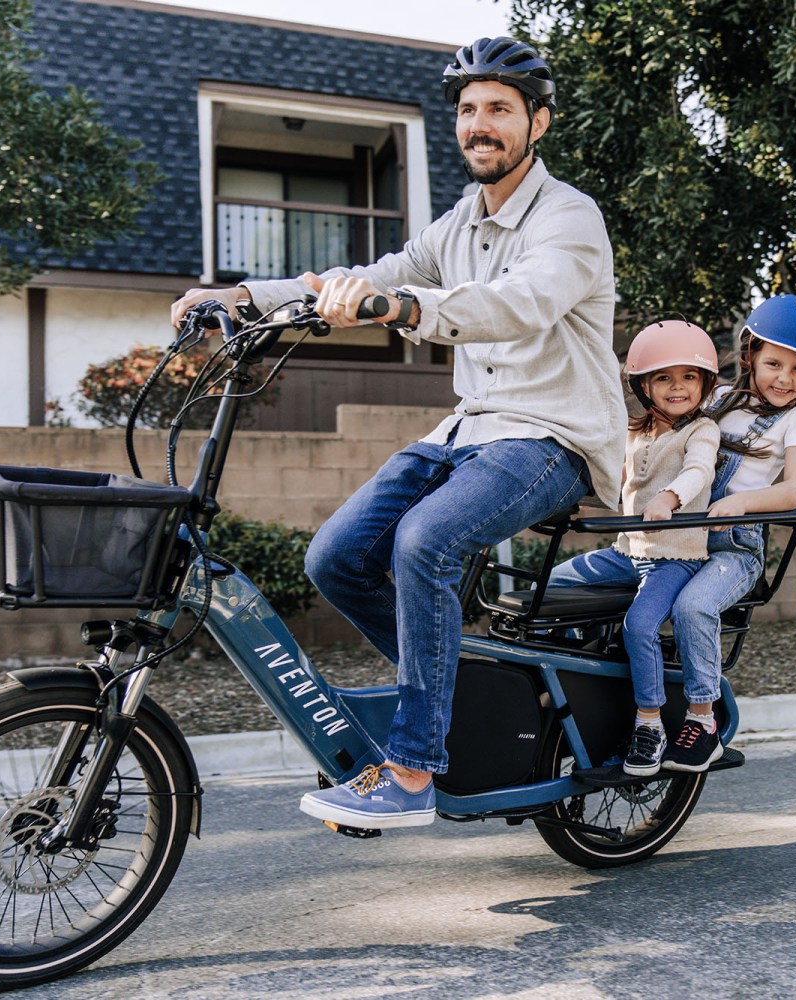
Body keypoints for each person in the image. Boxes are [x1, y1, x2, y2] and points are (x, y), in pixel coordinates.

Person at [170, 36, 623, 829]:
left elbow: (517, 304)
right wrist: (242, 294)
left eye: (500, 111)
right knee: (337, 558)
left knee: (424, 543)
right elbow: (359, 280)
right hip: (468, 432)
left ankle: (412, 772)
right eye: (469, 110)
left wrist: (412, 309)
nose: (480, 125)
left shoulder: (570, 218)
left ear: (537, 124)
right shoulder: (453, 228)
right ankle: (470, 685)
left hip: (553, 437)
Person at [661, 293, 796, 772]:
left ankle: (702, 722)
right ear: (750, 356)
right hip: (681, 535)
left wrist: (738, 503)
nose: (785, 378)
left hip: (734, 548)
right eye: (775, 363)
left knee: (693, 606)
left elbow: (794, 490)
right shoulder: (717, 400)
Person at [545, 321, 721, 775]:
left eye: (688, 376)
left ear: (704, 384)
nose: (676, 387)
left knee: (640, 625)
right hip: (626, 552)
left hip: (674, 558)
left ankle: (650, 724)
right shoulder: (633, 432)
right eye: (663, 377)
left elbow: (699, 471)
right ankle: (578, 685)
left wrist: (670, 498)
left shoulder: (701, 430)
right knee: (550, 589)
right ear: (644, 387)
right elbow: (610, 484)